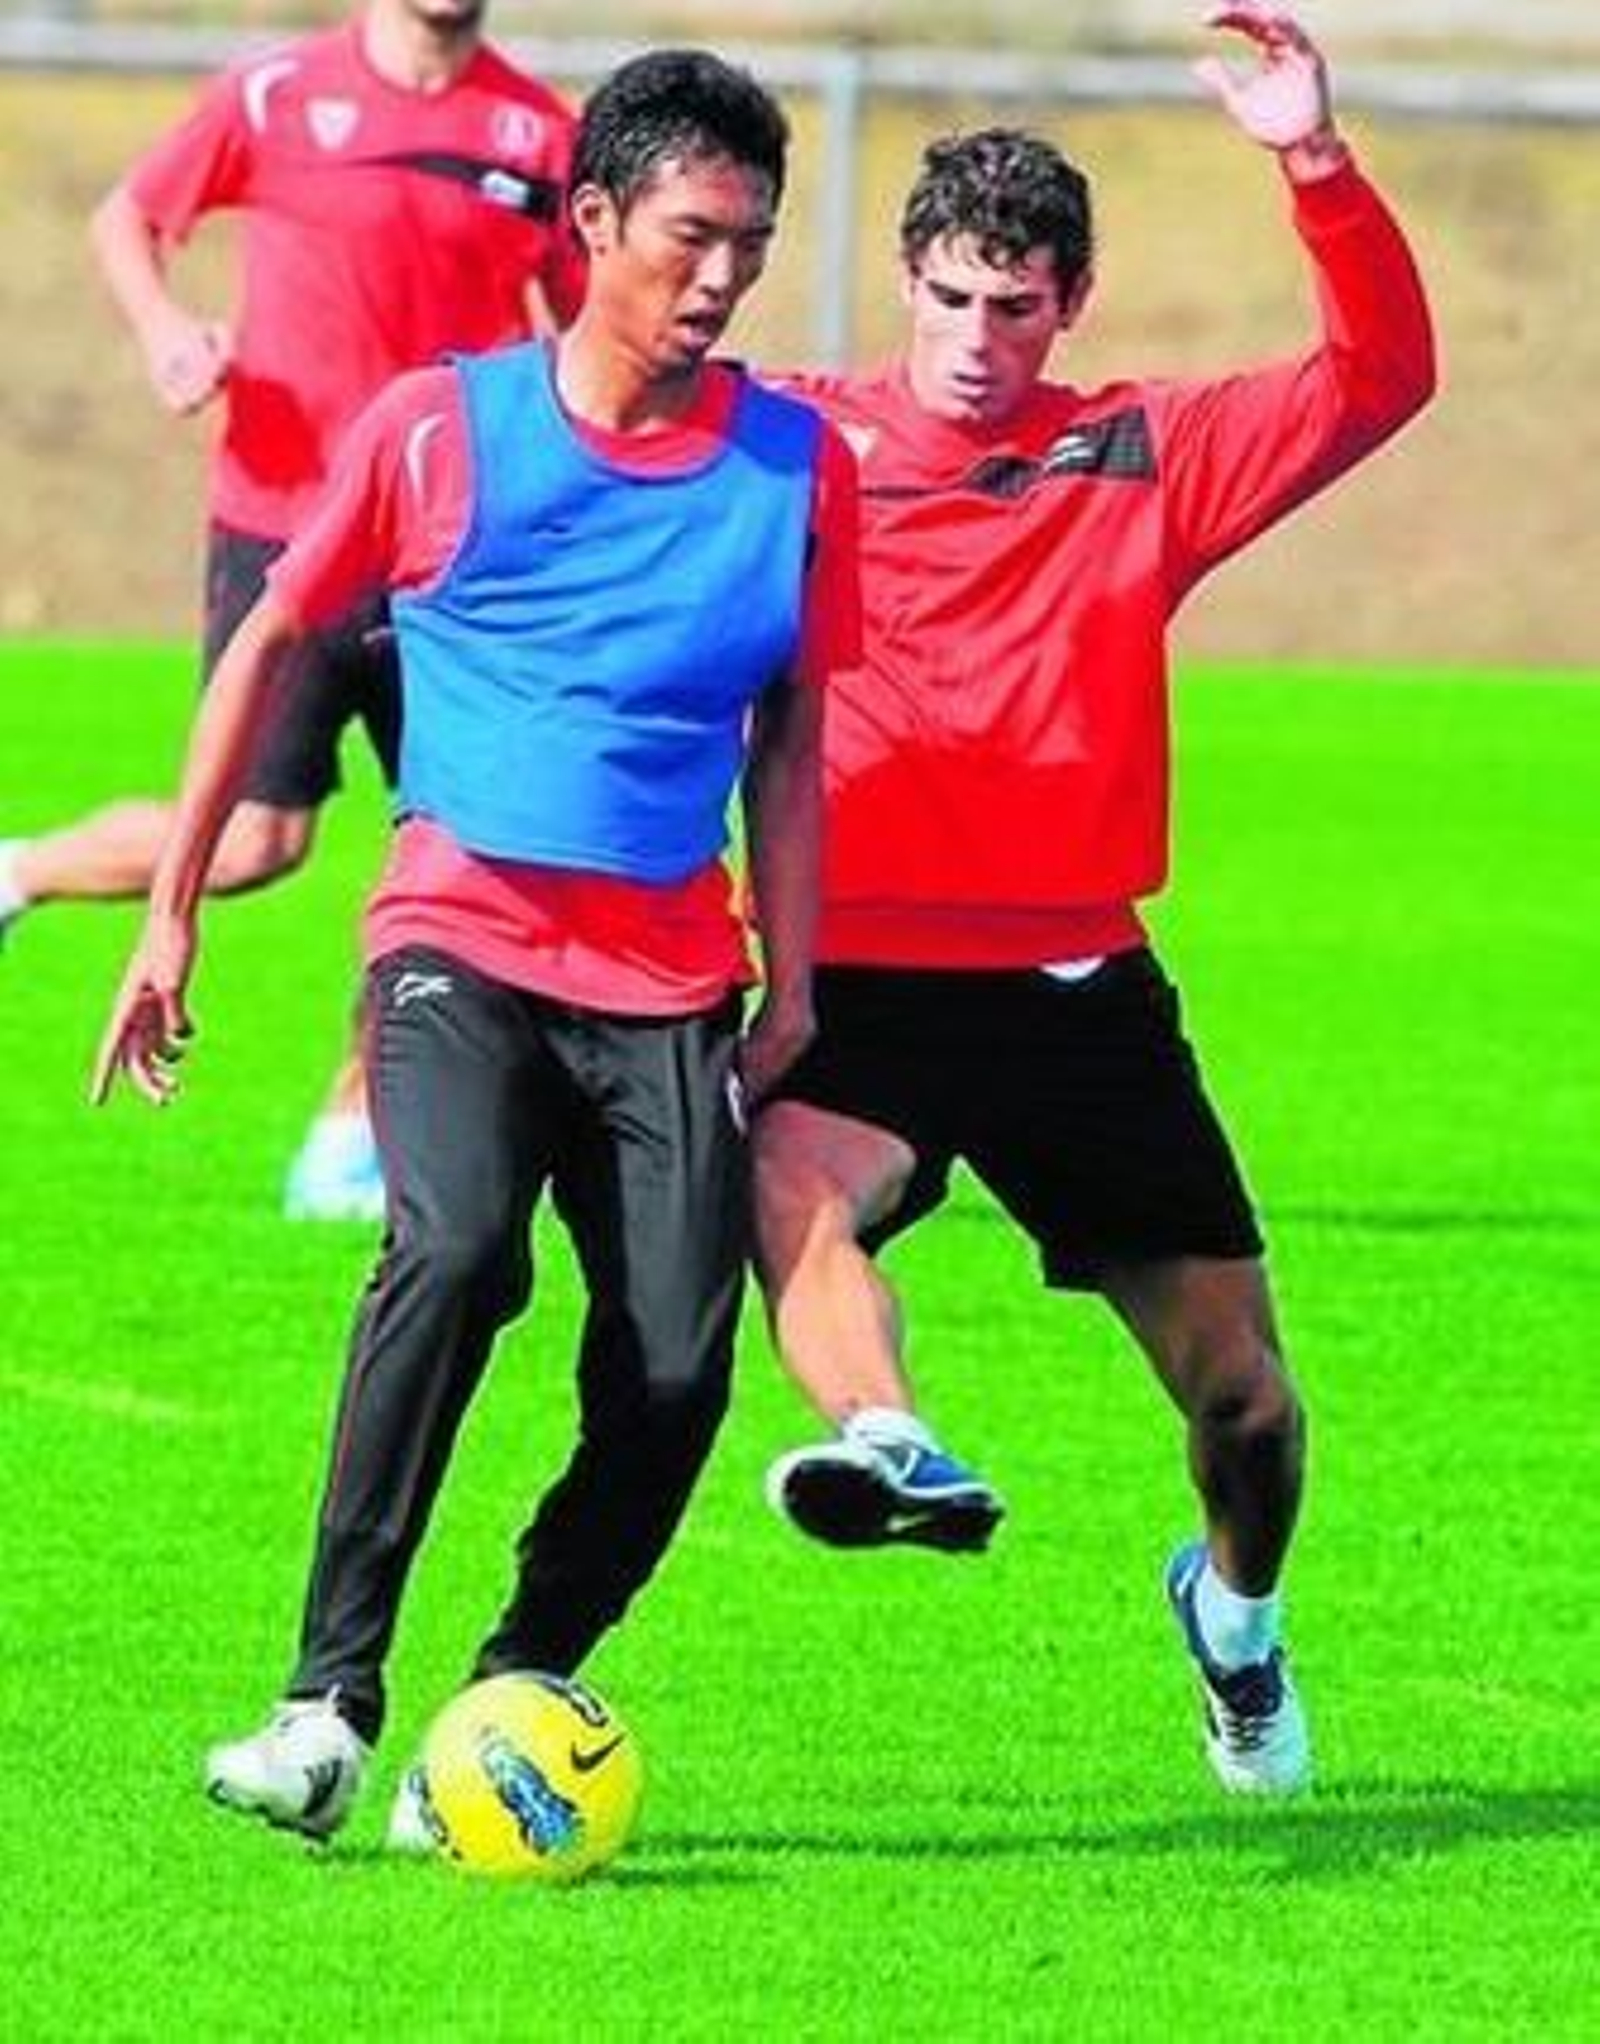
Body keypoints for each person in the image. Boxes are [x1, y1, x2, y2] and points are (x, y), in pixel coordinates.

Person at [92, 46, 859, 1846]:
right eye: (691, 235)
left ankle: (513, 1683)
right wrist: (173, 909)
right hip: (461, 937)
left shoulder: (792, 464)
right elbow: (272, 636)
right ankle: (322, 1706)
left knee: (675, 1366)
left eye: (751, 242)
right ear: (591, 222)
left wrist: (797, 977)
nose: (723, 275)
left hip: (672, 975)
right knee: (447, 1253)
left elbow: (796, 737)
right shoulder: (441, 427)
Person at [752, 1, 1436, 1797]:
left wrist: (1312, 158)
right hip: (864, 976)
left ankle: (1234, 1616)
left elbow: (1380, 378)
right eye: (954, 296)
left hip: (1079, 989)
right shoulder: (793, 444)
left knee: (1250, 1409)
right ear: (904, 280)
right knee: (803, 1204)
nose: (980, 338)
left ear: (1067, 306)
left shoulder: (1140, 450)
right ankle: (887, 1435)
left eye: (1018, 304)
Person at [0, 0, 586, 1221]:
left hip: (453, 550)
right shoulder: (273, 94)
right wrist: (166, 334)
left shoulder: (540, 136)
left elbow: (589, 335)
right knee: (262, 839)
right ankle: (20, 872)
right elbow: (131, 216)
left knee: (462, 846)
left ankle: (353, 1118)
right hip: (283, 522)